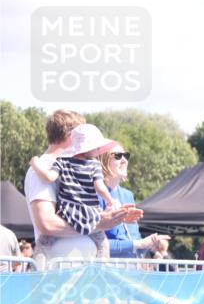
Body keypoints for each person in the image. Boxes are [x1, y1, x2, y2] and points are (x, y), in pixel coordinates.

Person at [25, 111, 135, 269]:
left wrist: (115, 215)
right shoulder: (46, 166)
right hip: (59, 275)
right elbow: (47, 224)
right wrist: (100, 223)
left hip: (78, 274)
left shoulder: (72, 165)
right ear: (72, 136)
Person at [98, 143, 168, 258]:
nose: (124, 160)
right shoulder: (96, 195)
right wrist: (140, 244)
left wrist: (151, 246)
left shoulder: (128, 195)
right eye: (118, 156)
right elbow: (98, 244)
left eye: (126, 155)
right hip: (109, 269)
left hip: (133, 268)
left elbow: (134, 238)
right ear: (103, 161)